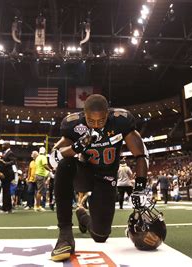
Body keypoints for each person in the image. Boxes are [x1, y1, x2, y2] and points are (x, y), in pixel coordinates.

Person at [49, 94, 149, 261]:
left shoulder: (120, 121)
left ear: (108, 114)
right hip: (84, 174)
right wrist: (78, 146)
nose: (96, 125)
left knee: (100, 235)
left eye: (101, 121)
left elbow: (141, 155)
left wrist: (140, 187)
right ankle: (65, 234)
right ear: (84, 115)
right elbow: (52, 159)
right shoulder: (73, 124)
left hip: (107, 178)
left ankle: (82, 214)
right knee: (65, 165)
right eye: (91, 121)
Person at [1, 143, 17, 213]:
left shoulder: (10, 153)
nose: (2, 146)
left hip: (8, 174)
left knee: (7, 191)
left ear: (7, 146)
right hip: (4, 174)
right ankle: (5, 207)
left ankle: (8, 207)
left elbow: (13, 162)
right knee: (5, 191)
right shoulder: (5, 153)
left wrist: (5, 163)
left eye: (3, 145)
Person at [34, 147, 51, 212]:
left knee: (39, 191)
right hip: (41, 175)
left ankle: (37, 205)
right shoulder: (43, 157)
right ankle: (38, 206)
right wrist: (50, 169)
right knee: (40, 191)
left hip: (37, 174)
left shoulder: (37, 157)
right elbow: (45, 165)